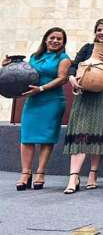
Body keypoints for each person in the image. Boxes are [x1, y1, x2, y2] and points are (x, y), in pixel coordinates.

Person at [64, 18, 103, 194]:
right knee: (80, 133)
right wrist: (71, 78)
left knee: (98, 133)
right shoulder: (87, 48)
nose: (102, 33)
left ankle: (93, 173)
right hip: (84, 96)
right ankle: (73, 176)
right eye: (99, 30)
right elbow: (73, 66)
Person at [5, 27, 71, 190]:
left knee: (46, 139)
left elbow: (62, 79)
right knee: (26, 138)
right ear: (45, 39)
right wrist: (8, 66)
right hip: (33, 101)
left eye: (59, 39)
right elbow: (25, 73)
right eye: (52, 37)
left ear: (63, 42)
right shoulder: (35, 56)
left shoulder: (64, 58)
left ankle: (40, 173)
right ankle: (25, 174)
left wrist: (41, 89)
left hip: (52, 101)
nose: (55, 41)